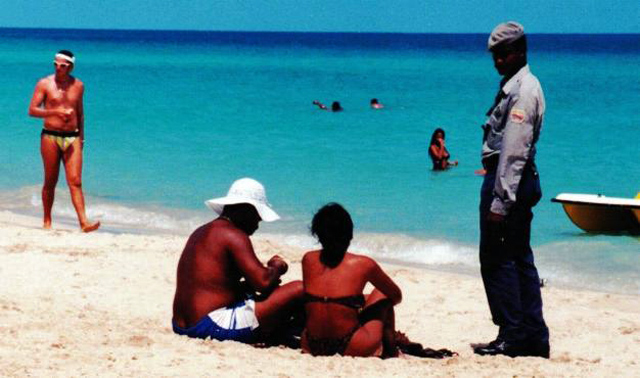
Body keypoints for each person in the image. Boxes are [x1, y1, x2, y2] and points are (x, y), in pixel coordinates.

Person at [473, 22, 550, 358]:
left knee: (497, 258)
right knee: (519, 258)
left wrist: (500, 200)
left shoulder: (523, 90)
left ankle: (513, 334)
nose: (498, 61)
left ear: (521, 50)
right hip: (513, 177)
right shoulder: (515, 85)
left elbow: (515, 150)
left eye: (504, 54)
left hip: (510, 182)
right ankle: (532, 334)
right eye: (495, 55)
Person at [300, 203, 456, 358]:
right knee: (382, 294)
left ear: (317, 234)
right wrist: (366, 308)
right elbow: (396, 296)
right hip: (350, 344)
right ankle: (391, 352)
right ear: (350, 234)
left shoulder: (308, 259)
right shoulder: (363, 264)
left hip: (311, 344)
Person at [172, 178, 303, 345]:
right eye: (257, 215)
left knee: (256, 294)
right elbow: (262, 282)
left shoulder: (202, 231)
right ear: (246, 210)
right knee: (299, 288)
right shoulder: (234, 235)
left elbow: (216, 283)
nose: (258, 222)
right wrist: (276, 267)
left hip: (181, 324)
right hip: (210, 324)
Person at [28, 50, 100, 232]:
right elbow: (32, 110)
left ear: (71, 67)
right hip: (50, 136)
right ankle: (47, 221)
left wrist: (82, 138)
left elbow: (81, 114)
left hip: (73, 137)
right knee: (50, 181)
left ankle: (84, 223)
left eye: (63, 65)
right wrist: (55, 112)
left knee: (75, 181)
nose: (58, 68)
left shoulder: (78, 85)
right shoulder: (44, 84)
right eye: (56, 64)